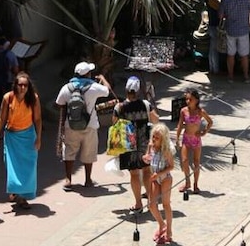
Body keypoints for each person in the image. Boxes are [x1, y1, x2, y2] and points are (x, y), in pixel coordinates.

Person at [55, 61, 112, 190]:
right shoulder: (94, 87)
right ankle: (87, 180)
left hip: (71, 125)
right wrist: (102, 79)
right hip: (90, 125)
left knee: (69, 151)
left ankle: (68, 179)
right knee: (89, 153)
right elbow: (108, 91)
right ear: (88, 74)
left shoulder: (66, 88)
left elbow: (59, 103)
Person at [0, 71, 42, 210]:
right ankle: (16, 193)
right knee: (12, 166)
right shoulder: (8, 98)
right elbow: (1, 118)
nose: (22, 88)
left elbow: (38, 119)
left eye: (25, 85)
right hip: (12, 137)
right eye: (20, 85)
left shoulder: (33, 98)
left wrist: (38, 138)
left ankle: (22, 196)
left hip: (28, 136)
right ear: (15, 85)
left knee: (28, 167)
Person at [112, 76, 159, 213]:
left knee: (133, 174)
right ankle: (151, 201)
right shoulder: (145, 104)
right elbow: (156, 119)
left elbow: (114, 123)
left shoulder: (119, 107)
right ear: (138, 91)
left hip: (128, 144)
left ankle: (138, 203)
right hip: (144, 142)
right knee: (146, 171)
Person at [175, 89, 213, 193]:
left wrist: (204, 132)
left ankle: (196, 184)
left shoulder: (200, 112)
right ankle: (187, 182)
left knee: (196, 162)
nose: (188, 101)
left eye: (190, 99)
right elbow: (179, 125)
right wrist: (177, 138)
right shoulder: (183, 111)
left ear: (196, 100)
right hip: (186, 138)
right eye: (186, 99)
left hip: (196, 139)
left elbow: (210, 122)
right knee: (184, 161)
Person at [143, 123, 175, 244]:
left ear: (162, 139)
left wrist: (160, 174)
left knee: (166, 204)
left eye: (157, 137)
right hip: (154, 177)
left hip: (165, 177)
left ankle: (169, 231)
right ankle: (162, 225)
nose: (154, 139)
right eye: (153, 136)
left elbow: (171, 166)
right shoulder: (151, 146)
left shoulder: (166, 150)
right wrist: (145, 158)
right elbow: (149, 157)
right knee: (151, 205)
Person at [219, 0, 250, 83]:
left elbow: (220, 15)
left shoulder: (225, 0)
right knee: (244, 55)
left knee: (231, 55)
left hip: (231, 30)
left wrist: (227, 14)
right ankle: (246, 77)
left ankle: (230, 77)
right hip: (243, 30)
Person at [205, 0, 221, 75]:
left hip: (212, 26)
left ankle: (212, 67)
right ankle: (215, 69)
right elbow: (220, 8)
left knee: (212, 48)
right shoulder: (212, 1)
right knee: (214, 49)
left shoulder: (209, 0)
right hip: (214, 26)